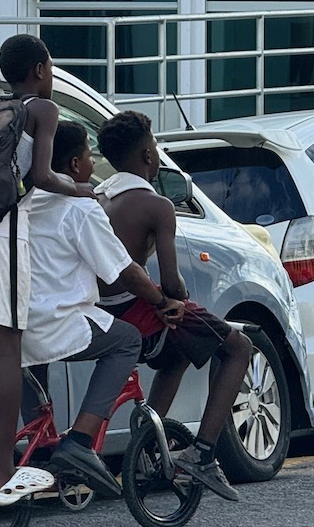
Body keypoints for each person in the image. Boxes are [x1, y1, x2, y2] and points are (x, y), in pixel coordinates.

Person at [0, 34, 98, 509]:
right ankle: (5, 471)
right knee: (6, 349)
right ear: (40, 69)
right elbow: (41, 178)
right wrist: (83, 191)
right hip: (3, 231)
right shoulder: (41, 111)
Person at [20, 121, 185, 498]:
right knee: (125, 340)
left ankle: (39, 440)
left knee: (32, 357)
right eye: (89, 156)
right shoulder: (81, 207)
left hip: (16, 325)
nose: (92, 163)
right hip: (61, 322)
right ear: (76, 164)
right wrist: (160, 302)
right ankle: (80, 439)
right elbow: (125, 271)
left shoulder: (26, 204)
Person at [94, 111, 251, 502]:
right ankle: (203, 452)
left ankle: (148, 446)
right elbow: (170, 281)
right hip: (140, 309)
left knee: (176, 354)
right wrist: (177, 301)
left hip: (103, 312)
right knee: (239, 348)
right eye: (157, 148)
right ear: (149, 154)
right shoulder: (156, 205)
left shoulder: (98, 198)